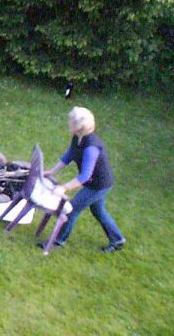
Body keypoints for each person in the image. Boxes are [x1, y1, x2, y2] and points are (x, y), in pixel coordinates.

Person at [43, 106, 125, 252]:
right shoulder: (78, 138)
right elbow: (69, 155)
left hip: (98, 185)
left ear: (78, 127)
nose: (68, 122)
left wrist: (63, 188)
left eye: (71, 121)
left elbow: (85, 176)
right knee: (98, 211)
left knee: (70, 210)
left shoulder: (91, 148)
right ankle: (118, 240)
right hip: (95, 182)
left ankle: (57, 242)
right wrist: (52, 171)